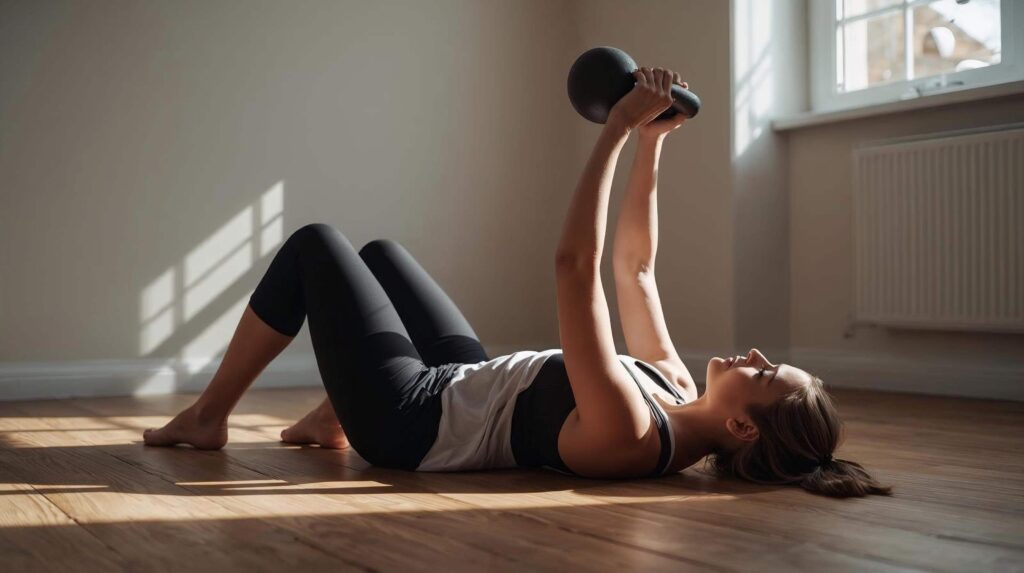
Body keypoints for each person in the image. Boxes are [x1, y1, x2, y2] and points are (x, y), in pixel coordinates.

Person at [144, 67, 892, 498]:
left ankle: (210, 415)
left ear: (741, 428)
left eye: (764, 373)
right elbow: (634, 267)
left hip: (410, 420)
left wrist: (615, 130)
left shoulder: (633, 433)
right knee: (381, 253)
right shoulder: (670, 385)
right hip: (467, 381)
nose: (755, 352)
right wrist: (653, 144)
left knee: (315, 245)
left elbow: (576, 272)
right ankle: (331, 413)